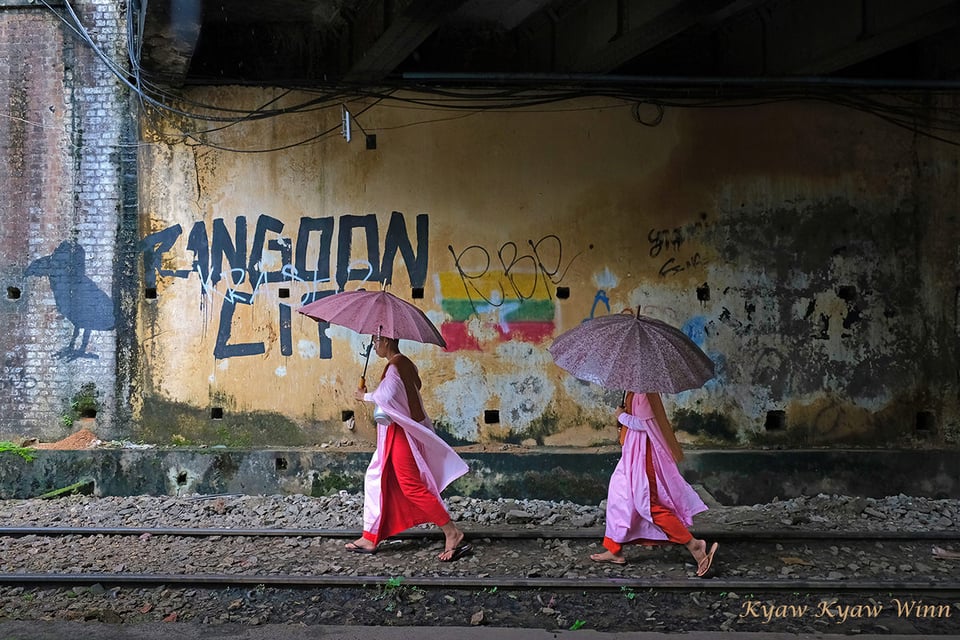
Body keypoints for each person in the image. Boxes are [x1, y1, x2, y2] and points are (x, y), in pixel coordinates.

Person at [347, 333, 472, 562]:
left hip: (400, 433)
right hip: (401, 431)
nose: (375, 346)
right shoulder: (407, 364)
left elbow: (387, 394)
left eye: (376, 341)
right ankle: (371, 536)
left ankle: (452, 532)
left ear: (386, 341)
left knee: (410, 486)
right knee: (380, 479)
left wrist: (364, 396)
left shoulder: (395, 367)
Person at [589, 390, 718, 576]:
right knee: (619, 497)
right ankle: (614, 549)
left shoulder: (644, 392)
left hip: (643, 454)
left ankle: (694, 545)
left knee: (647, 505)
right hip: (632, 453)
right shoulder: (634, 389)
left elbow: (645, 424)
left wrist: (622, 416)